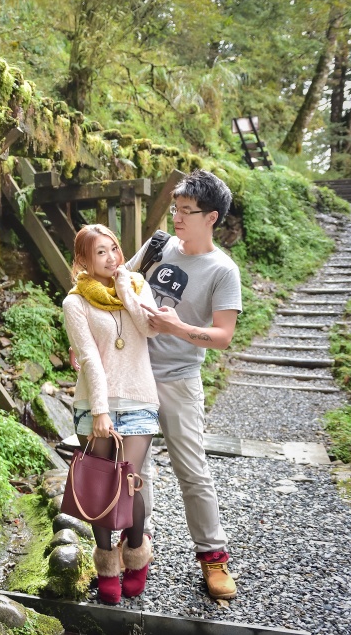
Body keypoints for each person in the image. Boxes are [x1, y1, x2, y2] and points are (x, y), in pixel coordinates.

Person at [126, 169, 241, 601]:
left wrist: (177, 328)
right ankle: (138, 544)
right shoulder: (159, 244)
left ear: (211, 217)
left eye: (187, 211)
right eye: (175, 208)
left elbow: (224, 336)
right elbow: (120, 283)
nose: (177, 217)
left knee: (192, 471)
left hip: (179, 381)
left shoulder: (222, 271)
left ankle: (213, 559)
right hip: (133, 374)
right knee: (136, 471)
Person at [62, 224, 160, 604]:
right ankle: (107, 567)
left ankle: (136, 556)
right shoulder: (75, 302)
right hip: (94, 406)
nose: (110, 258)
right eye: (100, 252)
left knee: (129, 482)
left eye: (114, 249)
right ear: (83, 260)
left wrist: (124, 290)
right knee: (102, 486)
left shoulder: (136, 285)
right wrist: (100, 411)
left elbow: (148, 329)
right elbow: (89, 359)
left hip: (138, 400)